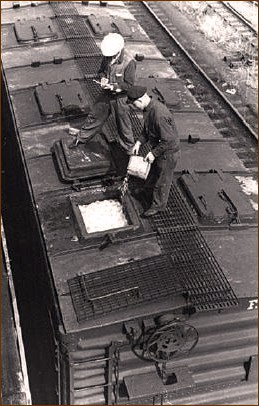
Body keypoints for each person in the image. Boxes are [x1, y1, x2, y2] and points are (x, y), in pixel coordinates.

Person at [69, 33, 136, 154]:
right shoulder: (107, 57)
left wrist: (115, 87)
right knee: (95, 116)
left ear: (118, 50)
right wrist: (103, 78)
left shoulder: (129, 62)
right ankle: (81, 138)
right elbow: (101, 72)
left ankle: (129, 149)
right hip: (106, 94)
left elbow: (129, 85)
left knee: (123, 124)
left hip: (120, 98)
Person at [127, 86, 180, 217]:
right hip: (159, 148)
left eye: (134, 105)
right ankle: (146, 192)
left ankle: (158, 206)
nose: (135, 108)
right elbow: (147, 130)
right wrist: (139, 142)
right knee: (153, 173)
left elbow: (169, 140)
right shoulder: (148, 109)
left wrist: (153, 153)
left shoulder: (159, 114)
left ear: (139, 100)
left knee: (162, 180)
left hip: (168, 153)